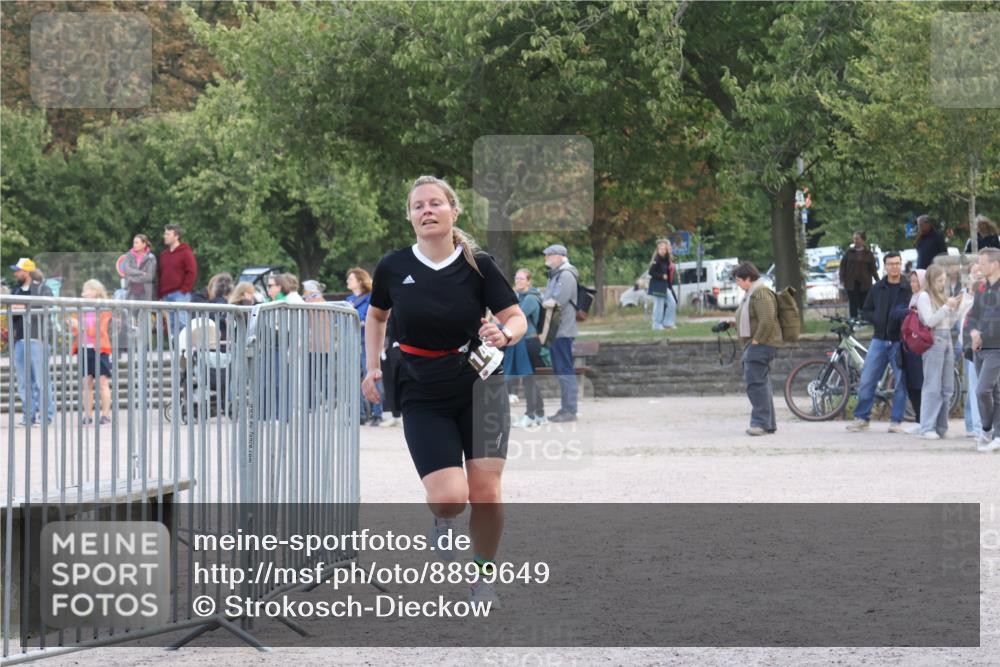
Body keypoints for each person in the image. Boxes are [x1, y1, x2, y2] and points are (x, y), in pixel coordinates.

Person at [362, 175, 527, 607]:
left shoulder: (479, 264)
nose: (427, 211)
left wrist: (505, 334)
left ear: (454, 210)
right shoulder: (394, 266)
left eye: (436, 203)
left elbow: (516, 317)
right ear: (410, 216)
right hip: (422, 389)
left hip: (480, 382)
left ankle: (482, 579)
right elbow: (376, 316)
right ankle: (443, 518)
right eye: (418, 206)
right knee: (451, 498)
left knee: (486, 491)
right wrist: (373, 366)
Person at [847, 251, 913, 432]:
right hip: (879, 340)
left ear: (901, 264)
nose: (894, 267)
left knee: (901, 382)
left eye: (897, 263)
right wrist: (876, 318)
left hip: (899, 341)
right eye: (891, 264)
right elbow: (866, 311)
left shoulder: (907, 288)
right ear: (885, 266)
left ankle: (896, 421)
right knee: (867, 380)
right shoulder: (877, 288)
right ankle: (862, 419)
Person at [915, 265, 968, 439]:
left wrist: (957, 308)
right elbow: (929, 321)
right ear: (931, 280)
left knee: (947, 387)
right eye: (939, 281)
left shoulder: (941, 296)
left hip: (946, 339)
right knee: (932, 385)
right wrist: (946, 307)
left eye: (944, 281)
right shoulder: (924, 296)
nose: (942, 284)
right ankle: (927, 427)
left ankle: (941, 427)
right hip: (933, 340)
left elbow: (948, 323)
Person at [730, 262, 782, 436]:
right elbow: (752, 317)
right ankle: (768, 423)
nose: (737, 283)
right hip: (759, 343)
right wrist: (733, 323)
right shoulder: (751, 294)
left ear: (748, 278)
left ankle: (760, 423)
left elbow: (767, 320)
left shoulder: (760, 293)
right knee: (761, 383)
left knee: (756, 384)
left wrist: (756, 341)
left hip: (762, 344)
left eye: (738, 280)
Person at [8, 258, 55, 426]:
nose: (15, 274)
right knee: (23, 382)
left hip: (38, 339)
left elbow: (47, 309)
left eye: (18, 270)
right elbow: (13, 315)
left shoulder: (43, 289)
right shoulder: (16, 291)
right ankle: (28, 416)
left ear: (26, 272)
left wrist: (24, 307)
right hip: (20, 340)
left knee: (41, 381)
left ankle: (46, 416)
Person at [965, 247, 1000, 452]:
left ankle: (989, 430)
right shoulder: (981, 288)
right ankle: (992, 433)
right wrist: (972, 332)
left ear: (995, 264)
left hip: (996, 347)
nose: (979, 266)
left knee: (982, 390)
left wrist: (982, 335)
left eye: (983, 263)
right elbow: (972, 316)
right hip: (979, 348)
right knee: (993, 391)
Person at [504, 268, 546, 427]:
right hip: (523, 342)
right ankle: (540, 414)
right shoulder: (518, 297)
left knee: (528, 379)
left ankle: (530, 415)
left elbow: (515, 318)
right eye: (517, 278)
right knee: (529, 379)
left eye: (522, 278)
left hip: (529, 342)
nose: (518, 281)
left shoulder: (530, 299)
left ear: (529, 281)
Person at [542, 244, 579, 422]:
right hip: (557, 330)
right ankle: (566, 408)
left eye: (549, 255)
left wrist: (544, 303)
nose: (546, 258)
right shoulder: (557, 274)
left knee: (565, 370)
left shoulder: (566, 274)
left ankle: (570, 410)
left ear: (559, 256)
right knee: (561, 370)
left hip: (562, 330)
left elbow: (557, 300)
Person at [70, 280, 114, 425]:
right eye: (84, 289)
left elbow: (98, 330)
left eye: (88, 289)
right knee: (86, 383)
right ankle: (88, 415)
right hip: (84, 348)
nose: (84, 293)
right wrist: (73, 325)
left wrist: (80, 326)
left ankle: (105, 415)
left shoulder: (104, 308)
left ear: (96, 292)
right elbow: (75, 330)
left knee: (103, 383)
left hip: (100, 349)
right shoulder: (80, 308)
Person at [346, 267, 382, 426]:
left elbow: (370, 317)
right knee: (353, 378)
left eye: (351, 279)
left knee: (373, 376)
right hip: (352, 342)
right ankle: (359, 414)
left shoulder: (371, 298)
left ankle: (377, 413)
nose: (348, 281)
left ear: (360, 281)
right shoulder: (348, 300)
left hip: (366, 342)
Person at [157, 224, 197, 335]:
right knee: (170, 326)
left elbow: (192, 272)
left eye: (168, 234)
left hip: (180, 294)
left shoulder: (185, 253)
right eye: (165, 234)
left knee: (182, 323)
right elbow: (160, 274)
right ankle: (175, 346)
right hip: (166, 294)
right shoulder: (164, 254)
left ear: (176, 236)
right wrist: (160, 294)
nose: (165, 236)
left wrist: (185, 289)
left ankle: (184, 345)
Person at [898, 270, 925, 432]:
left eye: (916, 281)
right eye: (912, 281)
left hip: (920, 347)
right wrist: (909, 312)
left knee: (920, 383)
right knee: (911, 384)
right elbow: (895, 312)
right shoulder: (910, 298)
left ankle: (924, 420)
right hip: (909, 346)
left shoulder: (925, 298)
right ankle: (918, 418)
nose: (913, 284)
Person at [960, 264, 983, 439]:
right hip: (971, 348)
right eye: (975, 271)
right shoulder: (966, 297)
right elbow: (962, 322)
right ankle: (976, 427)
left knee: (982, 389)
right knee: (974, 388)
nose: (979, 273)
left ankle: (979, 426)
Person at [839, 231, 879, 319]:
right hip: (851, 283)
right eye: (854, 239)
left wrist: (878, 281)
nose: (855, 241)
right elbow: (842, 266)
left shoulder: (868, 254)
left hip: (865, 283)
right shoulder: (849, 252)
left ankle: (864, 320)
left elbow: (873, 269)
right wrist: (841, 279)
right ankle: (853, 320)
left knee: (864, 303)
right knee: (853, 303)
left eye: (857, 239)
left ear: (863, 240)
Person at [648, 239, 678, 330]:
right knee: (659, 305)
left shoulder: (666, 259)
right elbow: (651, 272)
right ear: (658, 249)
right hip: (658, 285)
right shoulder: (657, 259)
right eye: (661, 249)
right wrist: (661, 276)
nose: (663, 251)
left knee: (672, 303)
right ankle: (656, 325)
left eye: (664, 249)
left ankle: (668, 323)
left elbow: (668, 273)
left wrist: (669, 284)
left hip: (665, 286)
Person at [122, 234, 156, 301]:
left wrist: (131, 278)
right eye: (134, 242)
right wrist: (141, 273)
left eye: (137, 243)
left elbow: (149, 277)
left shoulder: (151, 257)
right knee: (130, 308)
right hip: (131, 292)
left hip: (145, 293)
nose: (134, 245)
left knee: (145, 308)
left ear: (144, 244)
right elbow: (127, 270)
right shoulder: (128, 255)